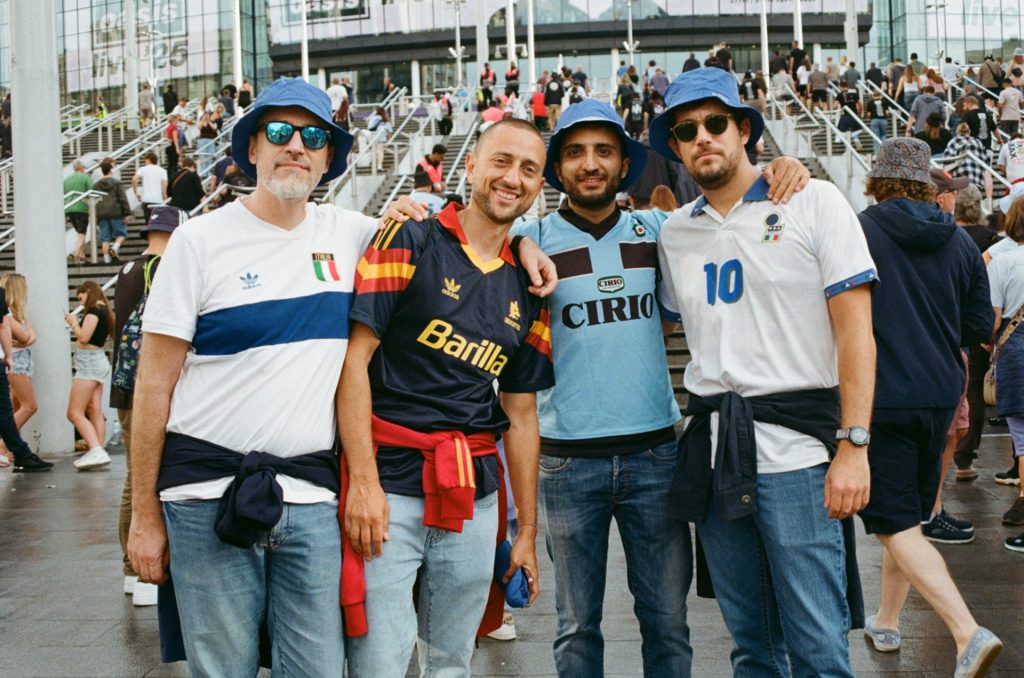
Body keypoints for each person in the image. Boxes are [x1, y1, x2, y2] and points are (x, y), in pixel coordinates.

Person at [126, 77, 368, 677]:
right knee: (223, 670)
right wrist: (143, 514)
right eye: (280, 133)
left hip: (310, 497)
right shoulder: (198, 242)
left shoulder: (353, 234)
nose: (297, 147)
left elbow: (459, 241)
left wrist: (523, 249)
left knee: (316, 669)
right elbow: (153, 386)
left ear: (329, 156)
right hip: (205, 495)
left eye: (313, 136)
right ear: (252, 147)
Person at [651, 66, 875, 677]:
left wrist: (854, 445)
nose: (703, 137)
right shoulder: (675, 233)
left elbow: (856, 330)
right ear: (674, 145)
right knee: (751, 644)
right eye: (686, 128)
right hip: (717, 451)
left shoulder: (813, 198)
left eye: (716, 123)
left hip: (798, 454)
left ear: (744, 129)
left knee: (819, 647)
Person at [340, 119, 553, 676]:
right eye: (501, 162)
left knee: (453, 663)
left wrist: (525, 534)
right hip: (390, 487)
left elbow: (522, 414)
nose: (513, 178)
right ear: (472, 166)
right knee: (379, 662)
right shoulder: (408, 238)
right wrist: (363, 481)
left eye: (529, 170)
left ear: (539, 187)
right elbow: (353, 361)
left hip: (474, 494)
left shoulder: (532, 285)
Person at [857, 138, 1002, 676]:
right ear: (926, 183)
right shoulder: (962, 243)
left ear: (877, 179)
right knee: (911, 517)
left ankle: (967, 632)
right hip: (943, 393)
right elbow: (976, 325)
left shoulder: (860, 229)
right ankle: (888, 620)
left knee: (893, 522)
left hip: (882, 395)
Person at [112, 205, 187, 607]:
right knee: (140, 479)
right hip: (148, 388)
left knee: (131, 475)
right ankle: (136, 568)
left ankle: (130, 569)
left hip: (124, 386)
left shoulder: (126, 271)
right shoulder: (163, 269)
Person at [952, 185, 999, 482]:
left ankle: (951, 450)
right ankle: (965, 457)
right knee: (977, 391)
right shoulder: (992, 240)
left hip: (949, 322)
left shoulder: (948, 238)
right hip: (979, 323)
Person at [989, 197, 1024, 554]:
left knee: (1022, 433)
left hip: (1017, 347)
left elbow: (993, 319)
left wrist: (989, 346)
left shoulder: (1003, 261)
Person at [64, 281, 115, 471]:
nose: (81, 301)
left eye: (81, 296)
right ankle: (99, 450)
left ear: (89, 292)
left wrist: (73, 323)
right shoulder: (105, 310)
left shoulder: (93, 311)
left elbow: (84, 338)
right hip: (98, 361)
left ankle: (95, 449)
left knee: (74, 412)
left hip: (89, 363)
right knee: (94, 409)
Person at [0, 273, 37, 469]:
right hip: (16, 362)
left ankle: (10, 449)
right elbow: (26, 338)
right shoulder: (10, 315)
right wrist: (31, 335)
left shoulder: (14, 313)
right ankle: (2, 447)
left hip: (18, 361)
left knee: (13, 407)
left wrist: (29, 336)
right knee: (29, 406)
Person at [93, 159, 132, 263]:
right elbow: (122, 198)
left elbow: (95, 201)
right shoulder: (117, 183)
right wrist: (127, 213)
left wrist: (96, 215)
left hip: (102, 214)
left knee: (105, 238)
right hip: (116, 213)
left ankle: (106, 260)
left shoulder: (96, 185)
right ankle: (115, 247)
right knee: (121, 234)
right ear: (111, 170)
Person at [63, 160, 93, 264]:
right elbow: (91, 192)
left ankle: (81, 255)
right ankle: (75, 251)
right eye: (84, 168)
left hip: (69, 208)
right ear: (81, 168)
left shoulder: (67, 179)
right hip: (81, 207)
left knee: (80, 232)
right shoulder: (85, 177)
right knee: (82, 232)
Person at [131, 151, 168, 224]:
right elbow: (164, 183)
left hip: (146, 199)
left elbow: (134, 179)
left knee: (148, 223)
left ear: (148, 160)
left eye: (145, 160)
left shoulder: (143, 169)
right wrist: (165, 195)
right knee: (158, 222)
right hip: (158, 200)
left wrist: (136, 192)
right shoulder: (162, 170)